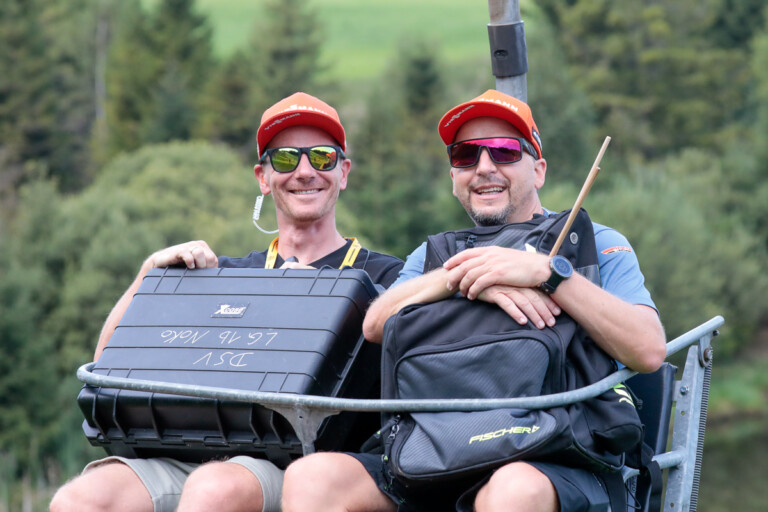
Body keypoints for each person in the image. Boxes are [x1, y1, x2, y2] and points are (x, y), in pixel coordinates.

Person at [281, 89, 666, 512]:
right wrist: (466, 277)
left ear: (538, 170)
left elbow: (648, 350)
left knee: (511, 489)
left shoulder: (593, 244)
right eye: (466, 155)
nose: (484, 167)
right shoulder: (434, 256)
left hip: (556, 456)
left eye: (504, 151)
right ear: (454, 178)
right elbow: (375, 324)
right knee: (310, 477)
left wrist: (549, 275)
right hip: (435, 452)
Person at [50, 92, 403, 512]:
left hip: (306, 465)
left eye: (322, 158)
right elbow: (106, 368)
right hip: (195, 451)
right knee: (78, 499)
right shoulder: (226, 275)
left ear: (343, 173)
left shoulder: (385, 277)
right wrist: (148, 275)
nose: (306, 171)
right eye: (286, 159)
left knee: (213, 488)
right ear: (262, 177)